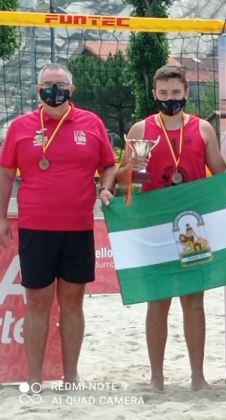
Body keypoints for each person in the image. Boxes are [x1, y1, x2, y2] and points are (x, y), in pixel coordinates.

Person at [0, 63, 116, 386]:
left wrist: (106, 187)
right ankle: (34, 377)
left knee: (72, 303)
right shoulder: (21, 127)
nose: (54, 91)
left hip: (78, 227)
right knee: (37, 303)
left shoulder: (91, 123)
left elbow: (108, 164)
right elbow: (6, 173)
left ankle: (71, 375)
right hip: (36, 228)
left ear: (71, 90)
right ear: (38, 91)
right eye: (48, 85)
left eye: (60, 85)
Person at [115, 65, 226, 391]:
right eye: (163, 94)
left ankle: (197, 376)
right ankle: (157, 377)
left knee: (194, 300)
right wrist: (135, 168)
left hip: (193, 226)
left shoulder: (203, 128)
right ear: (154, 94)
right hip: (154, 226)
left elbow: (220, 171)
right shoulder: (142, 129)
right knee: (158, 302)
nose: (170, 99)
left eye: (175, 93)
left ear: (186, 93)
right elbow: (127, 181)